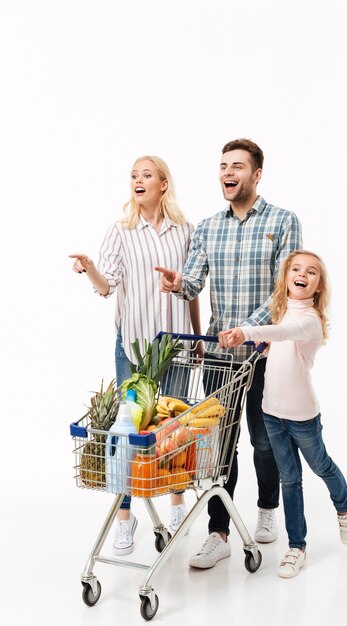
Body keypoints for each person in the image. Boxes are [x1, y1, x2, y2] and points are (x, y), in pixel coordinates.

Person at [156, 138, 303, 569]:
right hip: (221, 355)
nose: (227, 172)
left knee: (263, 439)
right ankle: (218, 532)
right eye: (223, 166)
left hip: (264, 353)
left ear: (256, 175)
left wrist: (249, 330)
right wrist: (175, 282)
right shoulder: (207, 226)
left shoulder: (283, 221)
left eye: (237, 166)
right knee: (220, 443)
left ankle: (266, 509)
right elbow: (194, 283)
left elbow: (285, 289)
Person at [70, 155, 202, 556]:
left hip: (176, 346)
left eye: (146, 174)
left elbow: (190, 288)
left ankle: (177, 504)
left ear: (163, 184)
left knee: (174, 427)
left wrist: (196, 335)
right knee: (128, 433)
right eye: (133, 176)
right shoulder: (121, 231)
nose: (137, 180)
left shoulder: (185, 231)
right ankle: (125, 516)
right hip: (134, 346)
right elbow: (107, 286)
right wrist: (91, 268)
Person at [223, 250, 347, 578]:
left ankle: (346, 505)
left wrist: (245, 332)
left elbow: (284, 334)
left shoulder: (309, 320)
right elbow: (280, 342)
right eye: (296, 269)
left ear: (318, 287)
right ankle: (297, 547)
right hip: (271, 412)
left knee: (321, 465)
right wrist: (265, 346)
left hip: (302, 417)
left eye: (311, 272)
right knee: (290, 479)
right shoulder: (282, 312)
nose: (302, 274)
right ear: (286, 276)